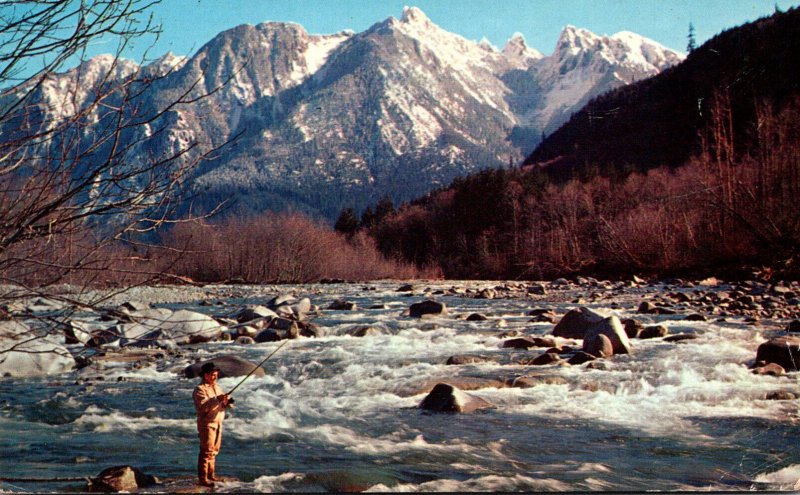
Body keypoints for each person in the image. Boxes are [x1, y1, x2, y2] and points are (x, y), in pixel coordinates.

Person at [193, 362, 233, 487]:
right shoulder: (200, 390)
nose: (215, 377)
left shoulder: (217, 387)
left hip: (218, 422)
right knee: (206, 451)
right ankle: (203, 479)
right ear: (205, 375)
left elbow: (226, 405)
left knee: (214, 451)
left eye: (216, 375)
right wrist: (217, 399)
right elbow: (202, 407)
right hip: (207, 424)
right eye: (212, 375)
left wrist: (227, 402)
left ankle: (211, 475)